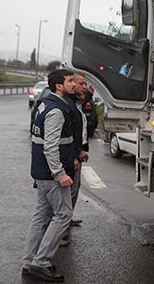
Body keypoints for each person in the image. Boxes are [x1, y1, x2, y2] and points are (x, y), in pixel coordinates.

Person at [21, 69, 76, 282]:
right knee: (63, 215)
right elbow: (50, 147)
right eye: (70, 81)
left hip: (41, 172)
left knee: (41, 216)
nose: (73, 84)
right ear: (59, 86)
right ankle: (41, 262)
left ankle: (29, 262)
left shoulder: (44, 104)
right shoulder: (56, 111)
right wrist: (60, 173)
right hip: (51, 174)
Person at [64, 73, 90, 244]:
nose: (84, 87)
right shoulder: (70, 106)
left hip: (79, 154)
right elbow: (68, 134)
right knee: (68, 193)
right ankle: (61, 230)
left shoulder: (79, 104)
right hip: (73, 156)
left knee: (75, 190)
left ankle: (67, 220)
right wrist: (75, 154)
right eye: (81, 83)